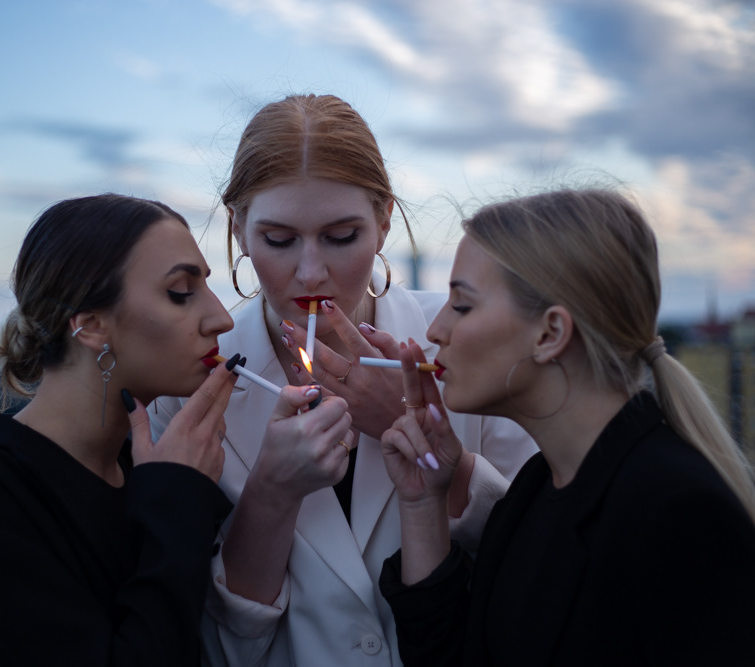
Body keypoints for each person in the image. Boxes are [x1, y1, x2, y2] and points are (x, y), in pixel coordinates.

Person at [149, 94, 536, 666]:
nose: (311, 273)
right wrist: (271, 493)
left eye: (341, 236)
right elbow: (209, 644)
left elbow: (542, 563)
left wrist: (418, 440)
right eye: (279, 240)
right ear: (239, 229)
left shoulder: (465, 343)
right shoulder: (187, 387)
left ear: (383, 221)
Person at [378, 188, 755, 665]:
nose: (435, 330)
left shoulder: (681, 517)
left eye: (461, 304)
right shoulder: (533, 491)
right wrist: (423, 503)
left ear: (551, 333)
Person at [0, 194, 245, 665]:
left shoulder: (148, 466)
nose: (222, 318)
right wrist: (178, 504)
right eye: (182, 292)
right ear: (91, 327)